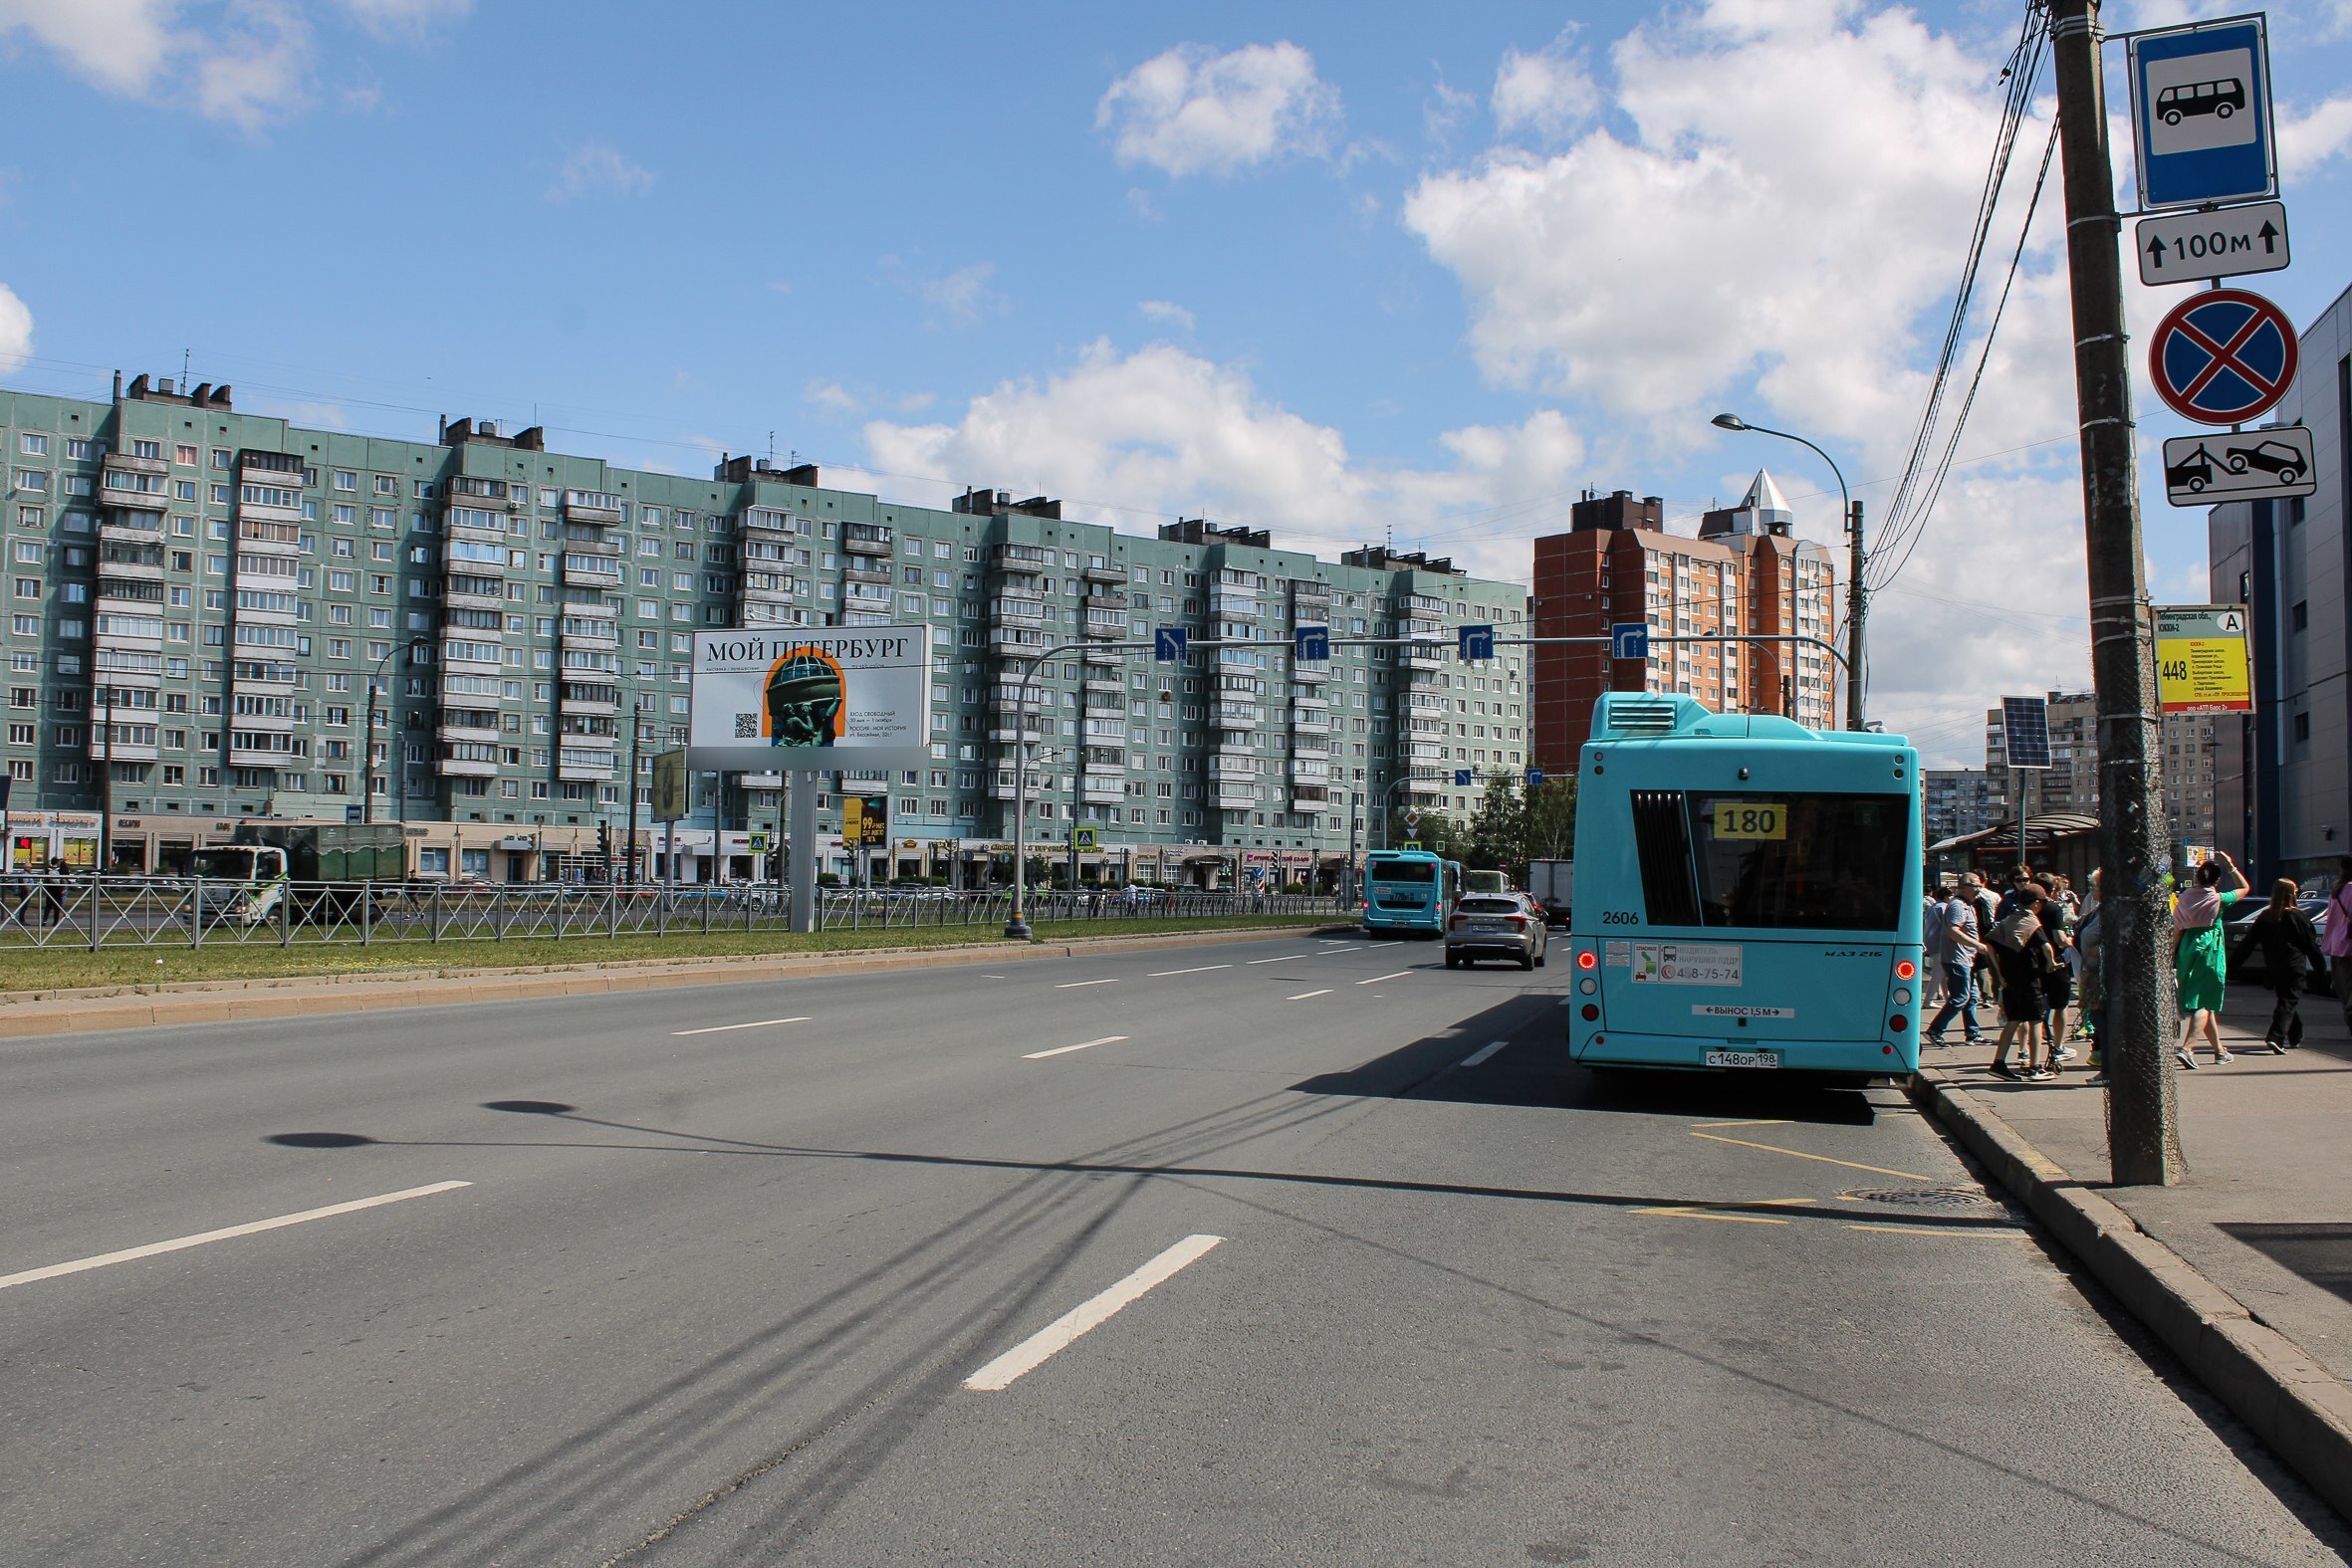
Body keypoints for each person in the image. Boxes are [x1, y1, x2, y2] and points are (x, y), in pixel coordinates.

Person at [2173, 850, 2250, 1067]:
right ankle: (2187, 1048)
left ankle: (2219, 1052)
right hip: (2209, 949)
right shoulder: (2218, 899)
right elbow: (2245, 888)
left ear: (2196, 878)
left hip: (2187, 948)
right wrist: (2231, 866)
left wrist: (2172, 953)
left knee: (2205, 1003)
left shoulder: (2185, 897)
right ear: (2216, 880)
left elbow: (2177, 929)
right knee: (2205, 1002)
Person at [2246, 878, 2327, 1053]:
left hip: (2274, 967)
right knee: (2288, 1001)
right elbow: (2310, 945)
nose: (2297, 891)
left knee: (2287, 999)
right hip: (2293, 967)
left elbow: (2249, 943)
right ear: (2290, 893)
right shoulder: (2297, 916)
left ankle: (2295, 1035)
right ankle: (2275, 1037)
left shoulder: (2266, 917)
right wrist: (2320, 968)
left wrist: (2233, 964)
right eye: (2295, 889)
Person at [1987, 898, 2059, 1079]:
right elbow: (2046, 947)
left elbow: (1989, 945)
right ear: (2035, 903)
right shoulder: (2031, 922)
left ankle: (1998, 1063)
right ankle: (2036, 1067)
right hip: (2028, 979)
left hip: (2009, 980)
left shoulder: (2008, 920)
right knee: (2036, 1020)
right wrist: (2052, 963)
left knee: (2013, 1021)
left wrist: (1998, 971)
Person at [1923, 882, 1985, 1046]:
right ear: (1962, 887)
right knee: (1960, 997)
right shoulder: (1957, 906)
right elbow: (1953, 931)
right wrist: (1977, 945)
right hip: (1957, 959)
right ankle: (1934, 1031)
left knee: (1972, 997)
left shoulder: (1967, 905)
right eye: (1974, 884)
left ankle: (1972, 1033)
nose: (1978, 888)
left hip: (1966, 959)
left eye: (1980, 884)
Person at [2077, 872, 2107, 1085]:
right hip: (2093, 974)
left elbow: (2123, 939)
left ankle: (2109, 1071)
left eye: (2094, 886)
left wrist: (2099, 950)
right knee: (2098, 1021)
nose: (2092, 890)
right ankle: (2106, 1068)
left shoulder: (2113, 911)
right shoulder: (2099, 909)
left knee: (2104, 1024)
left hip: (2105, 978)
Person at [2323, 857, 2352, 1035]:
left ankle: (2350, 1020)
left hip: (2337, 945)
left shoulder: (2336, 889)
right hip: (2349, 944)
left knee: (2345, 987)